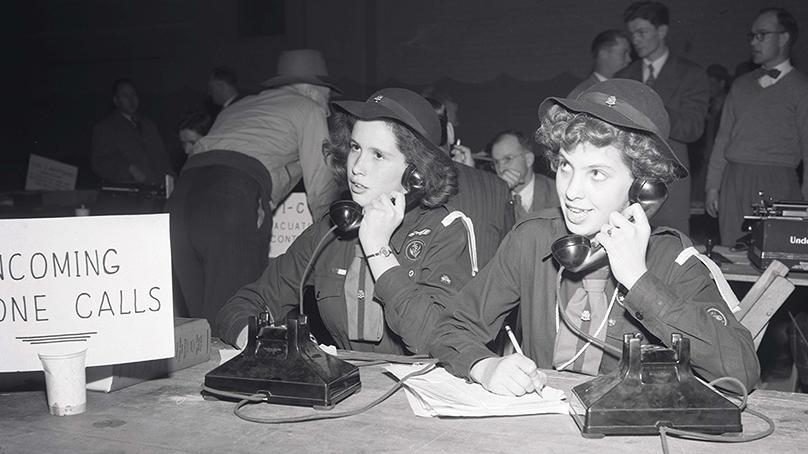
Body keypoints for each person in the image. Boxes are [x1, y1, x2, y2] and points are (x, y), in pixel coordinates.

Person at [428, 79, 759, 396]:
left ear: (642, 188)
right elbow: (452, 327)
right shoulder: (530, 239)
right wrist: (485, 367)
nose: (571, 191)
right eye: (566, 166)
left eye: (596, 174)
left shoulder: (673, 260)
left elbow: (741, 371)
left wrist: (639, 281)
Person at [215, 88, 475, 354]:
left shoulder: (446, 232)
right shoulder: (334, 228)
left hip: (418, 389)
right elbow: (245, 304)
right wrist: (259, 340)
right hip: (348, 386)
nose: (357, 166)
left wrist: (377, 247)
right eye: (355, 147)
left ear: (416, 173)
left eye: (378, 155)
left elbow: (437, 340)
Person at [167, 49, 341, 330]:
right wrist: (335, 237)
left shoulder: (239, 107)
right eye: (328, 98)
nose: (329, 108)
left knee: (198, 328)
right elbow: (321, 190)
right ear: (312, 90)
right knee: (237, 317)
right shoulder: (308, 108)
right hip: (231, 199)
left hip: (179, 201)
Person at [706, 8, 808, 246]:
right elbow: (723, 139)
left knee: (775, 254)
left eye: (761, 35)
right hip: (734, 181)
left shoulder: (802, 89)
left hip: (778, 182)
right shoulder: (740, 85)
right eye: (751, 35)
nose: (753, 42)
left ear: (784, 38)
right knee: (732, 251)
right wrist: (712, 186)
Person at [615, 1, 709, 235]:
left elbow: (693, 128)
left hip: (671, 187)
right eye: (632, 33)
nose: (635, 40)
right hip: (626, 184)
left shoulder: (692, 75)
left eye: (642, 32)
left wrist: (650, 106)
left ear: (662, 31)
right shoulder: (623, 77)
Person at [427, 96, 514, 267]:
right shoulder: (496, 187)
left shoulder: (389, 186)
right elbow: (511, 260)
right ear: (450, 133)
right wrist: (473, 176)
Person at [91, 78, 174, 185]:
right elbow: (99, 163)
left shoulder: (149, 125)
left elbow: (164, 159)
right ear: (116, 101)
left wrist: (172, 182)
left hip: (158, 189)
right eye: (125, 96)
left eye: (133, 95)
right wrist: (128, 168)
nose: (131, 100)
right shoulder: (105, 128)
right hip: (129, 193)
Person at [490, 130, 557, 222]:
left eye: (508, 158)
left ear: (528, 159)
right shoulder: (493, 197)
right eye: (496, 162)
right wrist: (501, 192)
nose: (500, 169)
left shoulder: (556, 192)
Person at [568, 30, 632, 98]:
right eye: (624, 53)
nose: (629, 59)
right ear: (604, 53)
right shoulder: (583, 94)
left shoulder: (627, 90)